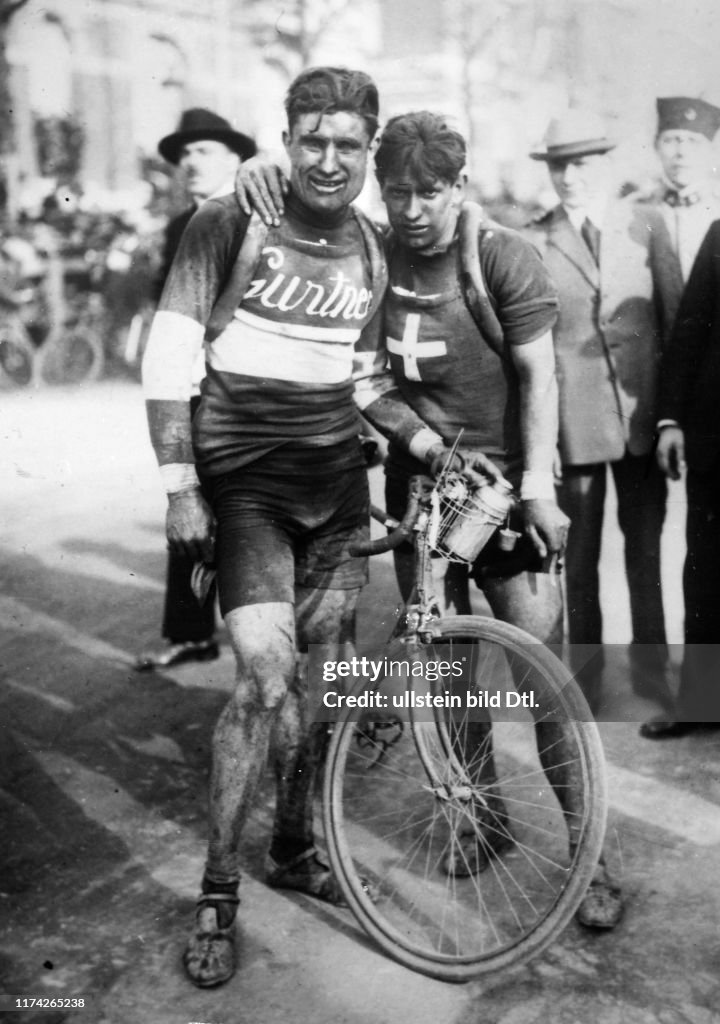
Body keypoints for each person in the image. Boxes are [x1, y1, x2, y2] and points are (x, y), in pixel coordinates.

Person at [235, 110, 623, 930]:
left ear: (459, 184)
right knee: (445, 681)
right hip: (427, 500)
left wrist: (540, 486)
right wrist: (422, 444)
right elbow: (363, 378)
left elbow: (539, 379)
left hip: (508, 500)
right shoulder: (370, 255)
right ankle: (481, 822)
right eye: (397, 190)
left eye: (429, 191)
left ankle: (592, 859)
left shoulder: (499, 256)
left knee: (543, 683)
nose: (411, 208)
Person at [524, 109, 671, 714]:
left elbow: (672, 319)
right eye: (560, 165)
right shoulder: (534, 238)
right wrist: (542, 445)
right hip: (573, 429)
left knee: (646, 555)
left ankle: (655, 681)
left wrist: (668, 418)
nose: (570, 176)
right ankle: (582, 688)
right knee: (577, 559)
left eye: (583, 163)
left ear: (605, 165)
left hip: (641, 417)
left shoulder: (646, 224)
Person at [135, 108, 257, 671]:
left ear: (235, 159)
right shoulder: (178, 223)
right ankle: (191, 631)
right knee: (187, 503)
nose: (190, 163)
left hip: (247, 387)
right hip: (192, 388)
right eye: (184, 155)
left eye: (203, 151)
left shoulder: (256, 215)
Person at [640, 96, 720, 739]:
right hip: (716, 436)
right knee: (707, 565)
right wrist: (669, 420)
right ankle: (700, 702)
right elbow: (689, 332)